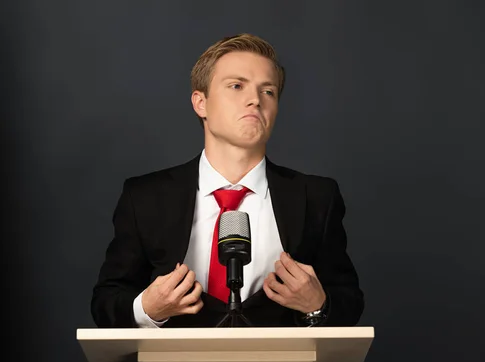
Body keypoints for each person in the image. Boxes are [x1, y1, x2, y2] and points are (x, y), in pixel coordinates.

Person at [91, 33, 364, 329]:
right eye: (237, 86)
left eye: (268, 91)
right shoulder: (144, 198)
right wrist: (148, 309)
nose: (255, 100)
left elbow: (348, 302)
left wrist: (317, 306)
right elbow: (106, 302)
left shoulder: (316, 197)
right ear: (201, 103)